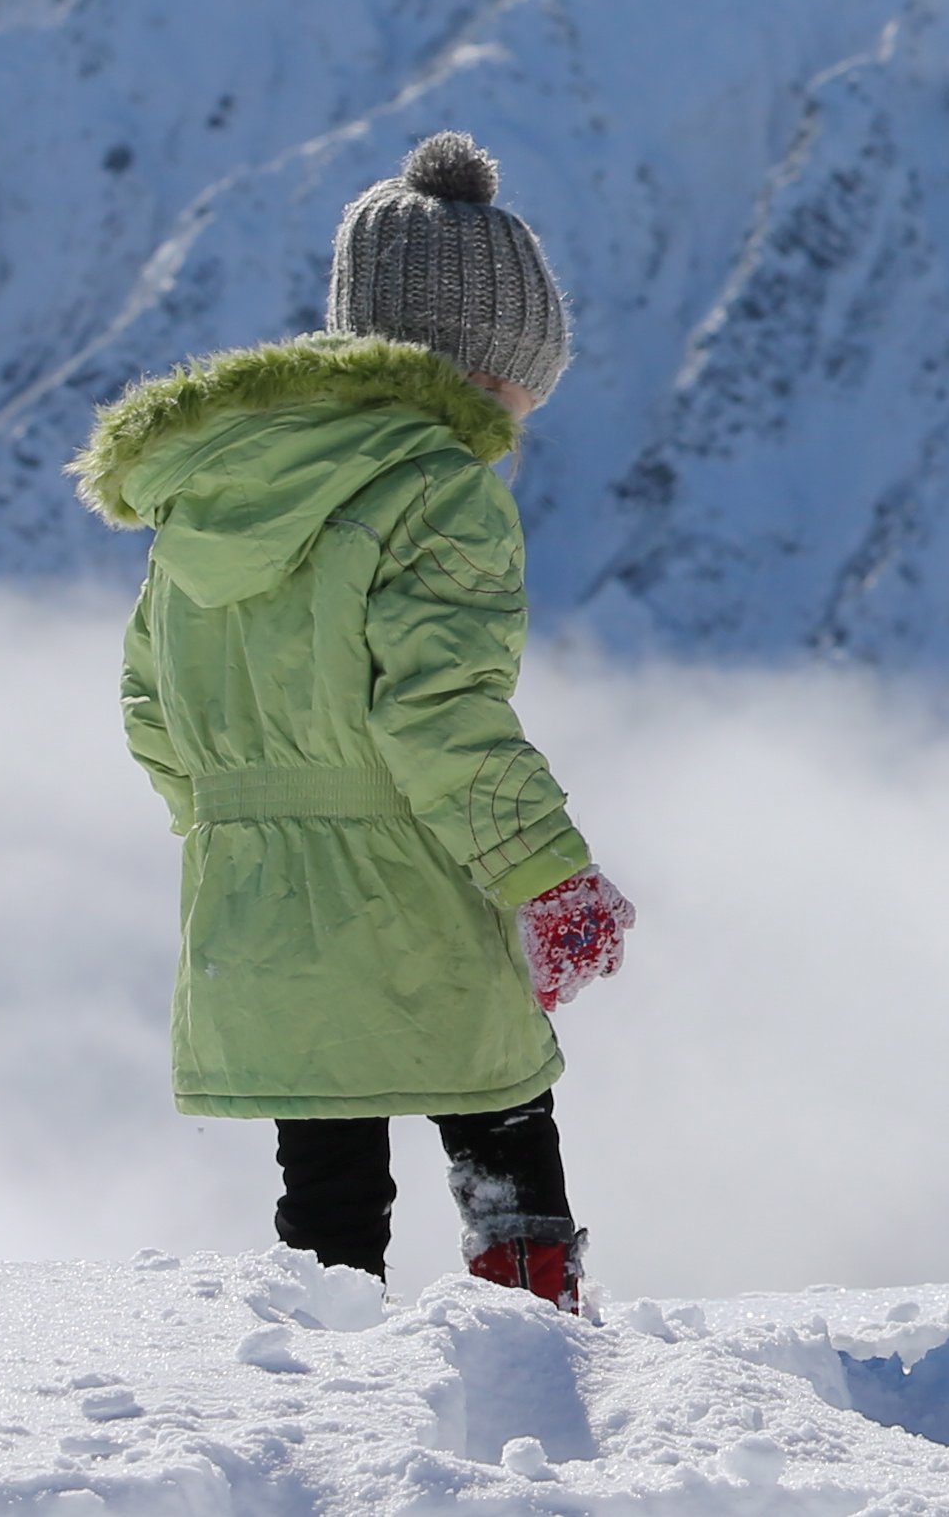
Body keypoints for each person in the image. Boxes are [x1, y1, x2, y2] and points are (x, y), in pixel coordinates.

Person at [69, 131, 638, 1314]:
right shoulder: (439, 487)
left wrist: (240, 827)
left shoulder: (210, 487)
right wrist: (548, 874)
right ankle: (536, 1351)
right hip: (415, 885)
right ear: (482, 366)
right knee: (501, 1125)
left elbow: (147, 703)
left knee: (325, 1186)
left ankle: (333, 1381)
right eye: (526, 381)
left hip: (254, 906)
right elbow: (439, 715)